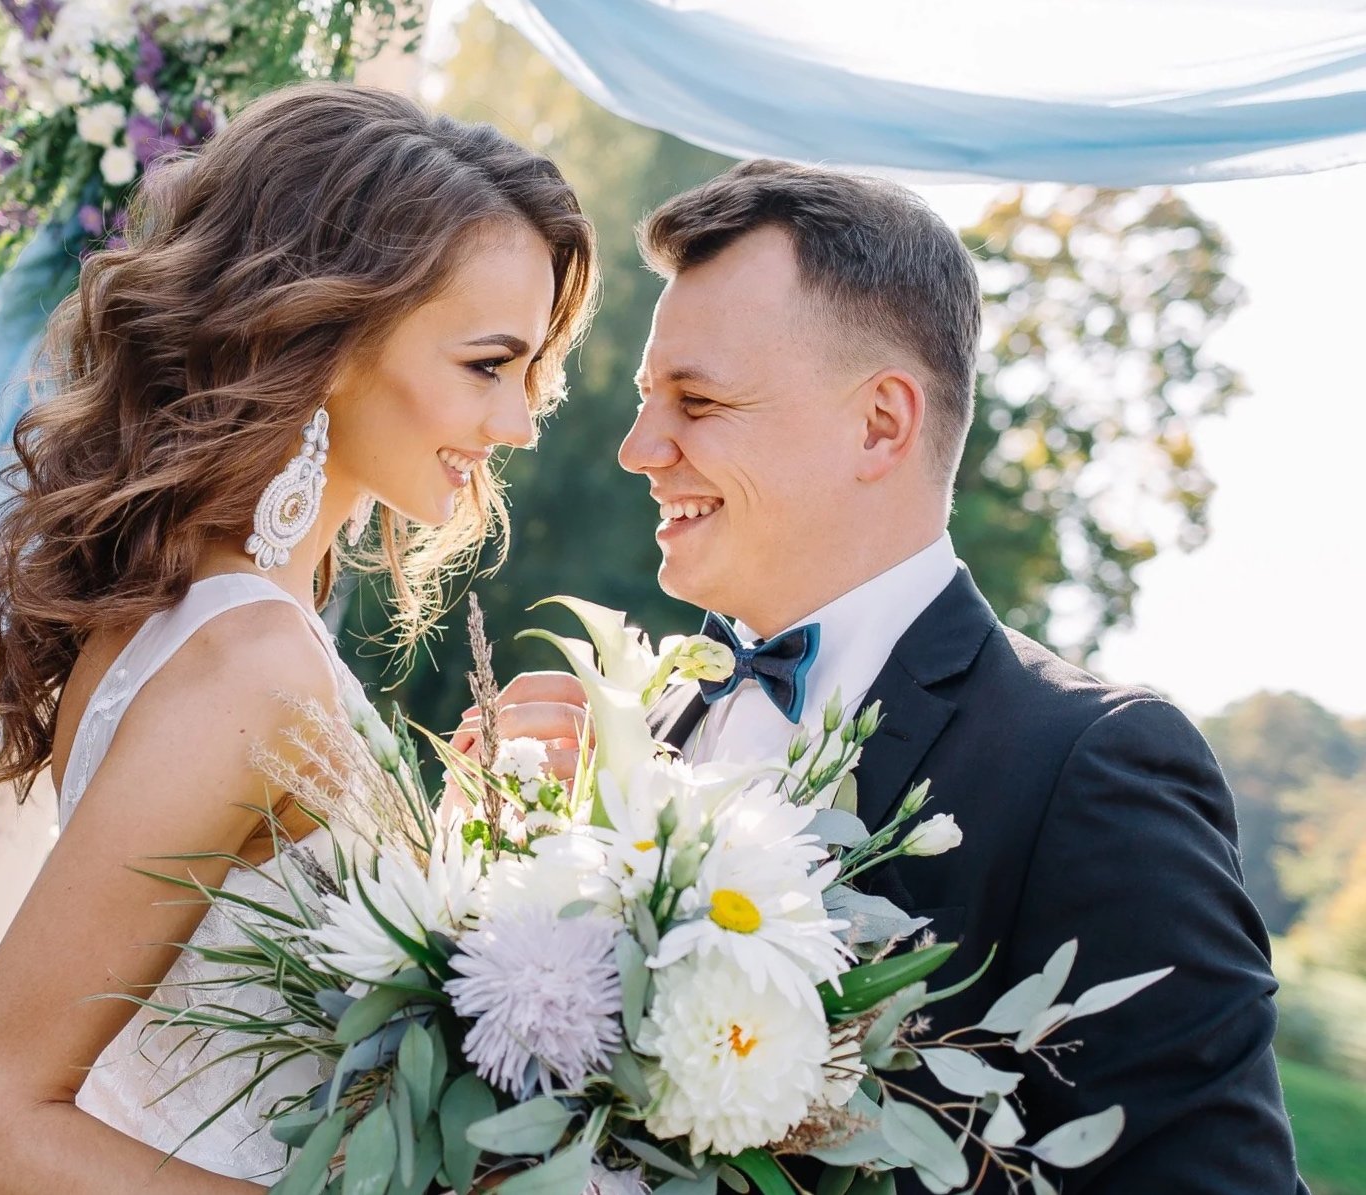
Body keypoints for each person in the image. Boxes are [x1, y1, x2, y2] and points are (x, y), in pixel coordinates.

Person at [477, 159, 1305, 1192]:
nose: (640, 447)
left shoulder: (1088, 767)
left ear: (880, 423)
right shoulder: (643, 726)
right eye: (650, 397)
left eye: (696, 399)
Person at [0, 82, 596, 1192]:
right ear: (327, 341)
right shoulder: (246, 660)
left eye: (530, 376)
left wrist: (462, 847)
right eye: (484, 365)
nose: (514, 421)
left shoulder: (207, 616)